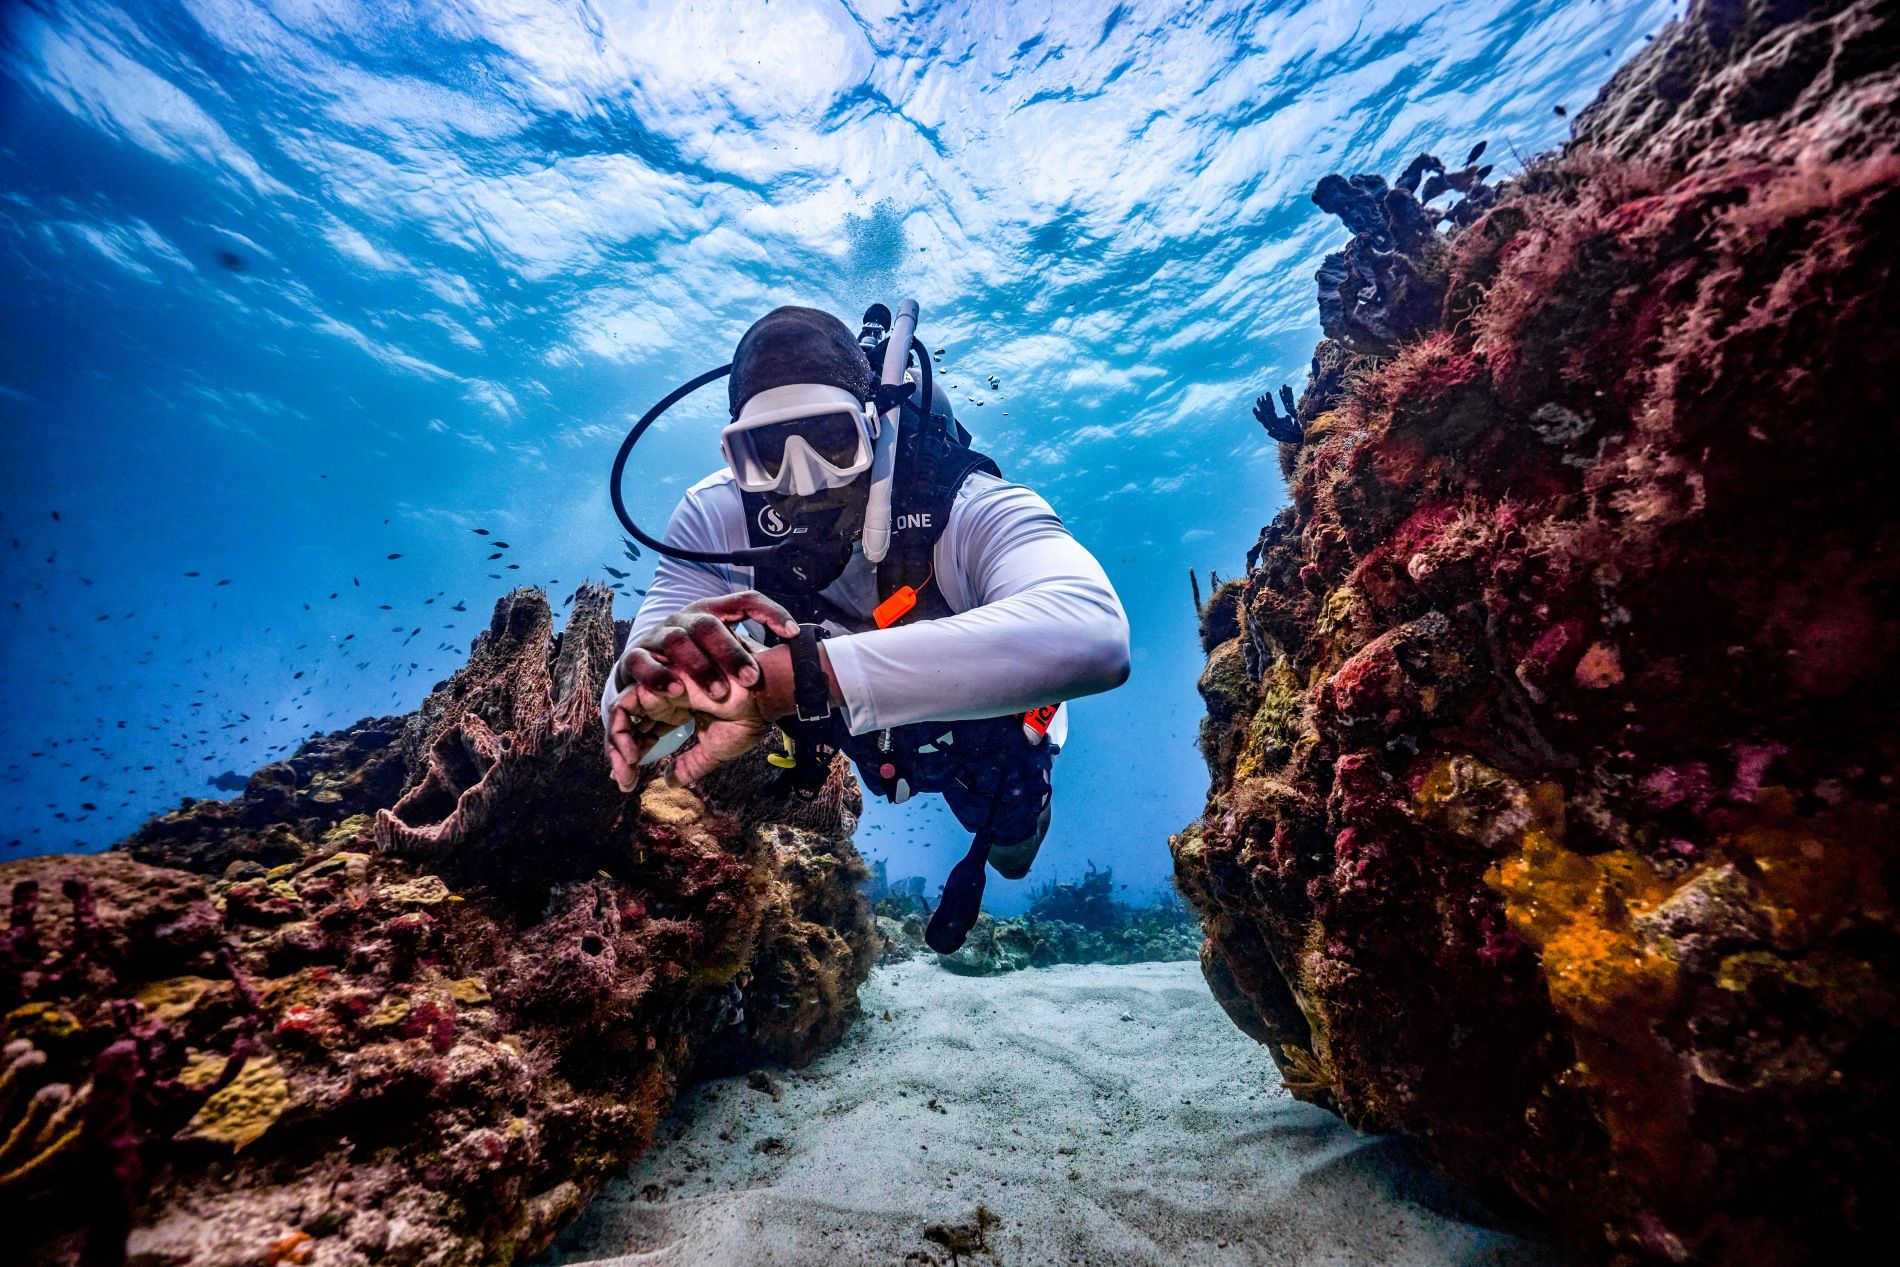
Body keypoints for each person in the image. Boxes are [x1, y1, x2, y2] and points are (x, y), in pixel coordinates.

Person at [599, 304, 1130, 950]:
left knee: (1013, 851)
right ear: (734, 451)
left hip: (984, 734)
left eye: (832, 440)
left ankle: (1023, 802)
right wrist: (667, 684)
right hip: (856, 735)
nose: (802, 483)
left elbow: (1094, 632)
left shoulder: (958, 501)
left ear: (874, 428)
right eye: (766, 452)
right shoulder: (713, 518)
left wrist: (800, 678)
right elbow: (629, 707)